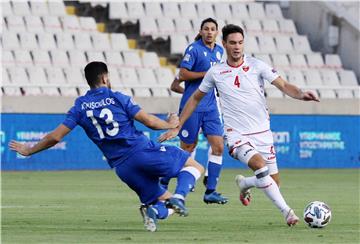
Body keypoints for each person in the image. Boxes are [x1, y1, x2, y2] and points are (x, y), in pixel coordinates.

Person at [9, 61, 204, 232]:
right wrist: (170, 124)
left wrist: (29, 150)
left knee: (164, 201)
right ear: (105, 77)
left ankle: (154, 210)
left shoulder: (80, 106)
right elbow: (150, 122)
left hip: (123, 168)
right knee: (195, 167)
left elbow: (55, 137)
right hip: (142, 152)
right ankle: (180, 196)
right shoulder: (117, 97)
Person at [159, 24, 320, 226]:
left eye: (241, 43)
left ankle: (245, 183)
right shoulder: (215, 72)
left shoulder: (257, 65)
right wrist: (178, 125)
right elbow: (194, 98)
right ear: (224, 44)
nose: (237, 47)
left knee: (272, 183)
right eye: (233, 43)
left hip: (263, 133)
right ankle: (288, 212)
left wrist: (301, 94)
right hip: (237, 136)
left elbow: (284, 85)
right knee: (260, 168)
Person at [161, 18, 228, 204]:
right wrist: (202, 78)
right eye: (206, 29)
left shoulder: (220, 51)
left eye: (212, 29)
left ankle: (211, 191)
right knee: (187, 149)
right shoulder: (194, 49)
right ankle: (166, 179)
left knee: (219, 146)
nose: (209, 32)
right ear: (201, 31)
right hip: (193, 108)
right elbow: (182, 75)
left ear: (217, 32)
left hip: (211, 108)